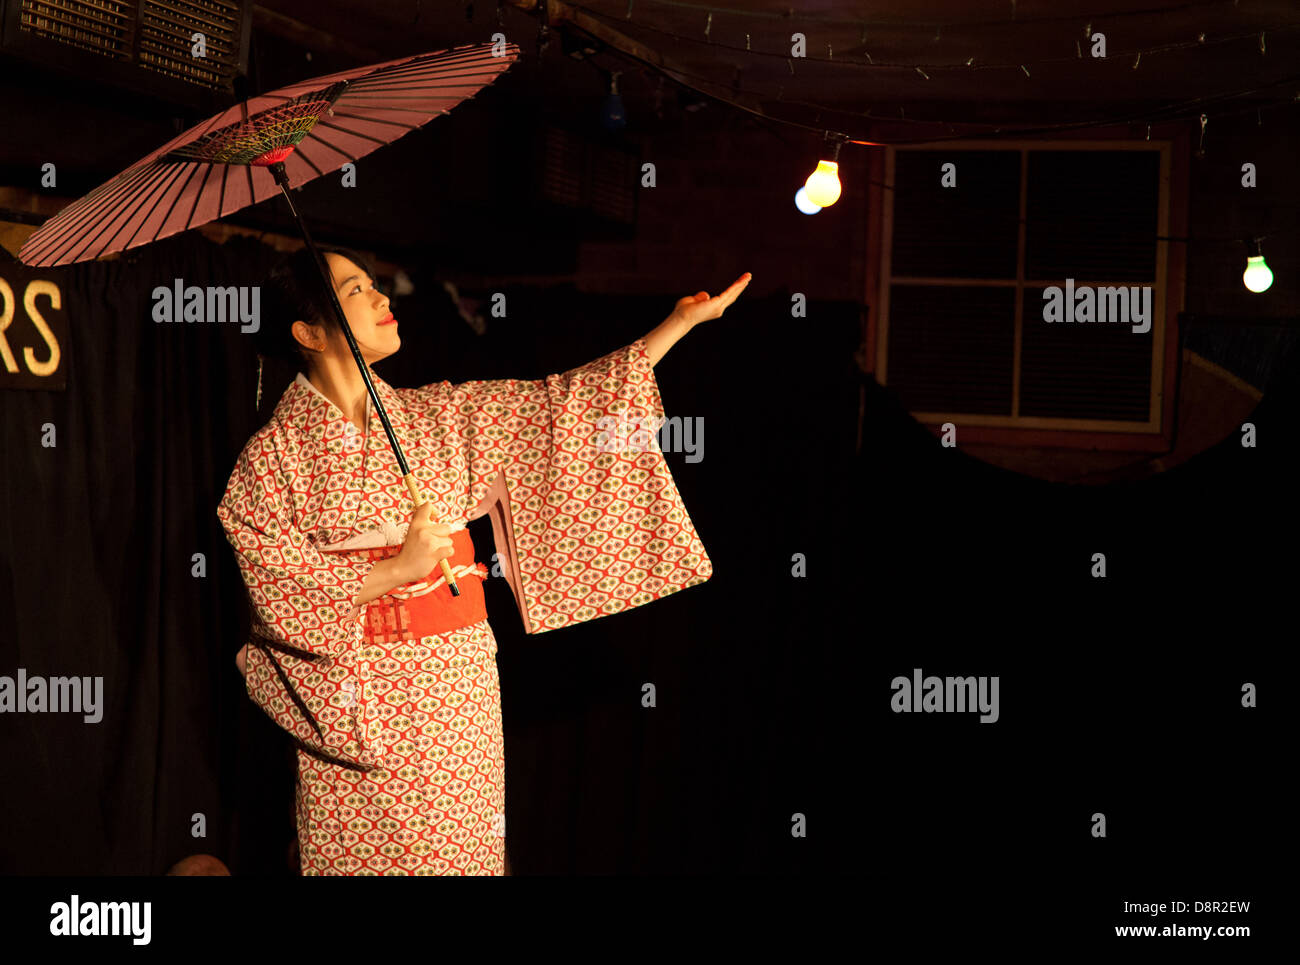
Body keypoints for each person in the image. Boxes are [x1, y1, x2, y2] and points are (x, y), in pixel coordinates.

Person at [218, 245, 749, 875]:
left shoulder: (436, 416)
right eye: (357, 290)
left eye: (373, 284)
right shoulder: (273, 459)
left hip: (459, 692)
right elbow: (274, 589)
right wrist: (394, 570)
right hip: (364, 704)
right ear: (309, 331)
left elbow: (558, 411)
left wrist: (678, 325)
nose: (383, 298)